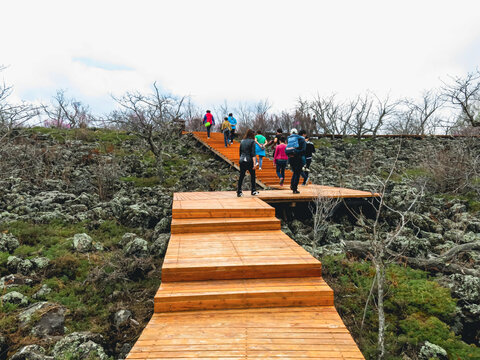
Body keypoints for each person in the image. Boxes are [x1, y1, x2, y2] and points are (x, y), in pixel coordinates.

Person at [237, 129, 259, 197]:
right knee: (252, 176)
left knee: (241, 176)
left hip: (242, 160)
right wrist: (255, 163)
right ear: (252, 134)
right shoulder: (252, 142)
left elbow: (240, 152)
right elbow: (253, 153)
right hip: (249, 160)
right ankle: (253, 190)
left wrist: (242, 158)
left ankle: (239, 191)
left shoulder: (242, 141)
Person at [285, 128, 306, 194]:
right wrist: (298, 152)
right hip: (298, 158)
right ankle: (295, 189)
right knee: (297, 173)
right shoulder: (301, 139)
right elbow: (303, 150)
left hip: (291, 158)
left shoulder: (290, 139)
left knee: (294, 172)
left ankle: (292, 185)